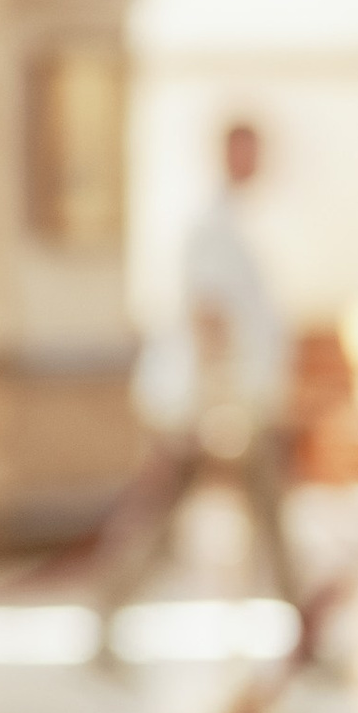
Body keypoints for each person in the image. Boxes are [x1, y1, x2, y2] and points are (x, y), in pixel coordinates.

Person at [118, 113, 302, 614]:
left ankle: (301, 622)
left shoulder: (232, 224)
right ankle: (108, 613)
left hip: (235, 399)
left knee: (263, 514)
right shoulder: (211, 226)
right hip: (211, 404)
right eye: (249, 150)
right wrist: (218, 401)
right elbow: (209, 316)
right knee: (162, 515)